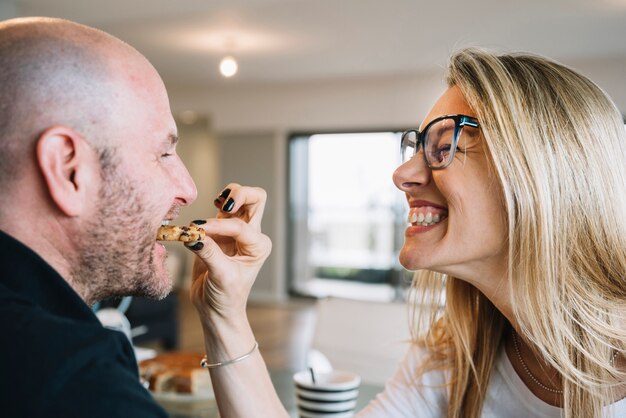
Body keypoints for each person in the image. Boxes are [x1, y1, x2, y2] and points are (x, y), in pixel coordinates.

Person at [187, 48, 625, 417]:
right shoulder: (457, 352)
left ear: (541, 172)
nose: (401, 174)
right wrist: (223, 314)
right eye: (415, 147)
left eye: (444, 145)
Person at [0, 16, 213, 417]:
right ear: (68, 169)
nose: (188, 188)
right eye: (164, 153)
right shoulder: (77, 384)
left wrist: (223, 317)